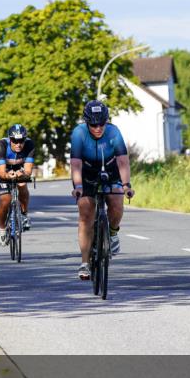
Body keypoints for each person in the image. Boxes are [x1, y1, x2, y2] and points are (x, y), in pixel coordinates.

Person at [69, 101, 133, 280]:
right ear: (87, 123)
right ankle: (84, 262)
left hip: (111, 170)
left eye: (101, 124)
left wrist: (126, 185)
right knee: (86, 213)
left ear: (106, 121)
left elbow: (122, 161)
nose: (98, 128)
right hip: (86, 172)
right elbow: (76, 163)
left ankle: (112, 233)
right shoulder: (79, 133)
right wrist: (79, 187)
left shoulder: (114, 132)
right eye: (93, 125)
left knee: (116, 203)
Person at [0, 123, 35, 246]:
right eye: (15, 141)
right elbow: (1, 173)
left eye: (21, 140)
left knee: (22, 185)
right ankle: (1, 229)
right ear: (10, 139)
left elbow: (27, 171)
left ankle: (24, 214)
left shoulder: (29, 145)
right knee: (5, 200)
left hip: (19, 168)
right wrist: (8, 175)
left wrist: (21, 174)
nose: (18, 144)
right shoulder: (1, 146)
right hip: (3, 169)